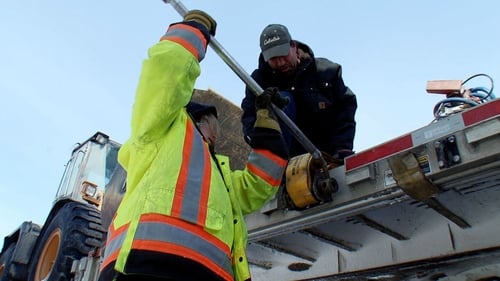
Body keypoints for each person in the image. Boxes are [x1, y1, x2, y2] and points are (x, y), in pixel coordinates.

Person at [98, 10, 288, 281]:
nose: (217, 136)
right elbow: (165, 75)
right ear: (197, 119)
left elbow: (258, 186)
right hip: (147, 264)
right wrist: (193, 31)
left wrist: (267, 124)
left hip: (207, 273)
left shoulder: (219, 174)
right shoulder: (161, 132)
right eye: (214, 125)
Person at [241, 24, 358, 160]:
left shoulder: (326, 72)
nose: (280, 63)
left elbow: (346, 108)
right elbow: (249, 122)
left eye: (282, 55)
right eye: (273, 59)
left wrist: (343, 148)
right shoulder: (257, 83)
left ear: (294, 46)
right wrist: (262, 113)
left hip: (328, 155)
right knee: (284, 99)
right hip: (285, 162)